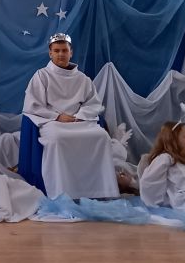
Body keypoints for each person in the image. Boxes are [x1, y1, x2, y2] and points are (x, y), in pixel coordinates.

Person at [22, 33, 118, 199]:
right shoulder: (42, 76)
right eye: (56, 50)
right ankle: (62, 191)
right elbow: (33, 104)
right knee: (57, 139)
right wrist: (57, 116)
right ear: (50, 53)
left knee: (101, 136)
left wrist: (80, 115)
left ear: (71, 52)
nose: (61, 54)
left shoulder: (83, 79)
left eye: (64, 50)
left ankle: (99, 190)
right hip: (52, 122)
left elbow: (93, 103)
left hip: (79, 120)